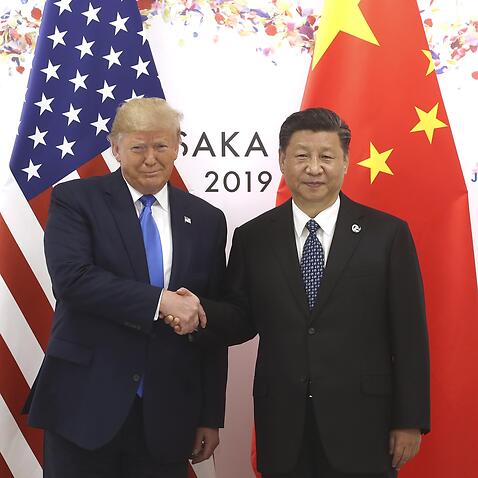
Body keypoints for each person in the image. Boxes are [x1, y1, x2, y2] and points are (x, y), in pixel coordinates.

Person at [169, 108, 430, 478]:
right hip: (283, 423)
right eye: (302, 156)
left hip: (364, 424)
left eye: (326, 157)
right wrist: (201, 312)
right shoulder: (253, 237)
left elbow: (409, 335)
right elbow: (242, 318)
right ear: (282, 159)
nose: (314, 168)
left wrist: (410, 420)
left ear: (345, 162)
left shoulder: (386, 235)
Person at [23, 98, 228, 478]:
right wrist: (160, 301)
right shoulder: (75, 200)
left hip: (167, 415)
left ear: (177, 146)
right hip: (84, 406)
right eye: (138, 147)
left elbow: (207, 322)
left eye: (162, 145)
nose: (151, 158)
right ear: (116, 149)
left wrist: (209, 415)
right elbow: (72, 280)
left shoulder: (207, 220)